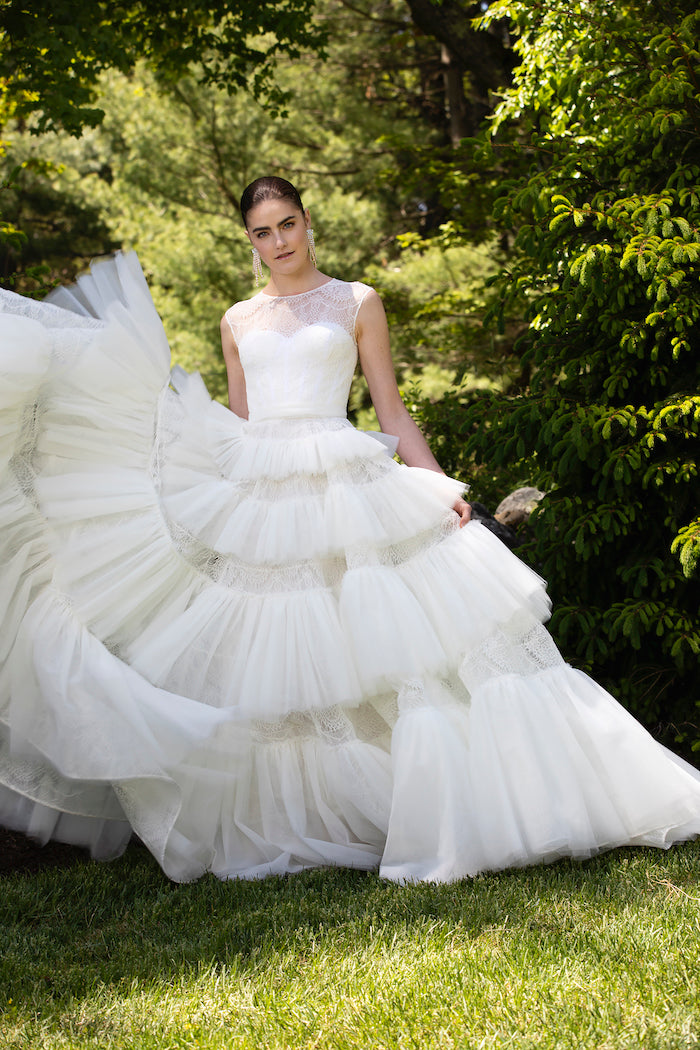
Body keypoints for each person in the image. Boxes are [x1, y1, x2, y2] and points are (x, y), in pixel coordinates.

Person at [0, 175, 699, 883]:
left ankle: (468, 801)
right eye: (263, 232)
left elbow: (390, 411)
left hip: (347, 480)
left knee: (402, 652)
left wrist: (442, 488)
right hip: (265, 492)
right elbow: (240, 423)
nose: (278, 242)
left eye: (287, 224)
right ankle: (313, 814)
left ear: (308, 222)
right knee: (289, 660)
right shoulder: (237, 319)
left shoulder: (357, 300)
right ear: (250, 241)